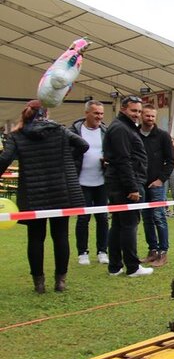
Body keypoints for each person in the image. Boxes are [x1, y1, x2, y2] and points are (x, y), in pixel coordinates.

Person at [0, 100, 88, 292]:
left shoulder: (17, 135)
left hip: (33, 192)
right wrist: (66, 158)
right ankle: (61, 281)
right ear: (46, 114)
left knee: (35, 238)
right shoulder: (60, 130)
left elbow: (5, 158)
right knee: (61, 236)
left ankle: (39, 283)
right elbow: (83, 145)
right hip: (60, 190)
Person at [103, 95, 152, 277]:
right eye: (133, 111)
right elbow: (123, 160)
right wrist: (132, 187)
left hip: (121, 181)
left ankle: (115, 266)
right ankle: (133, 266)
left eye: (139, 111)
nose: (137, 115)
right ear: (123, 109)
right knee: (130, 224)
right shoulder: (120, 129)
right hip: (125, 184)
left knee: (118, 224)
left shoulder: (124, 127)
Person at [70, 100, 108, 266]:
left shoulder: (106, 131)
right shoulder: (74, 131)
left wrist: (108, 161)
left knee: (103, 218)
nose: (99, 117)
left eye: (101, 113)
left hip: (102, 182)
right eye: (96, 113)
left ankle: (102, 251)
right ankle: (82, 252)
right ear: (87, 113)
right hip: (82, 182)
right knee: (83, 218)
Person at [139, 104, 174, 268]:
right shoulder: (135, 135)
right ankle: (152, 250)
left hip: (157, 184)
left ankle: (163, 252)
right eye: (147, 115)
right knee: (146, 218)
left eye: (153, 116)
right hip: (141, 183)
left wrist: (161, 179)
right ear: (141, 115)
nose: (150, 119)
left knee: (159, 217)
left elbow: (171, 161)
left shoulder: (163, 136)